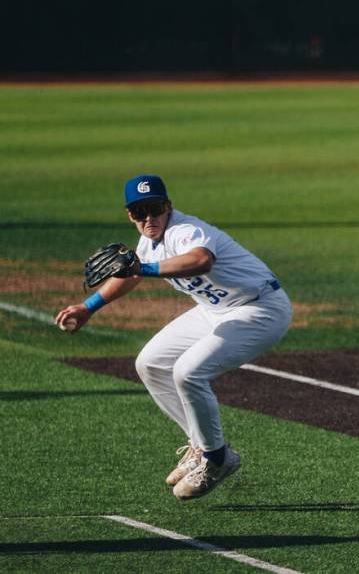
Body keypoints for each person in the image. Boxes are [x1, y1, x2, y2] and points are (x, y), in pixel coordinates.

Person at [55, 175, 292, 500]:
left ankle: (217, 459)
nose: (149, 218)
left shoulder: (185, 230)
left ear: (168, 207)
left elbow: (200, 261)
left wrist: (145, 268)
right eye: (140, 212)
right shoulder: (148, 240)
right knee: (150, 363)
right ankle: (200, 445)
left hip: (259, 309)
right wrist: (88, 306)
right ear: (130, 215)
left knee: (188, 372)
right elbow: (132, 273)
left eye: (154, 208)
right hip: (214, 308)